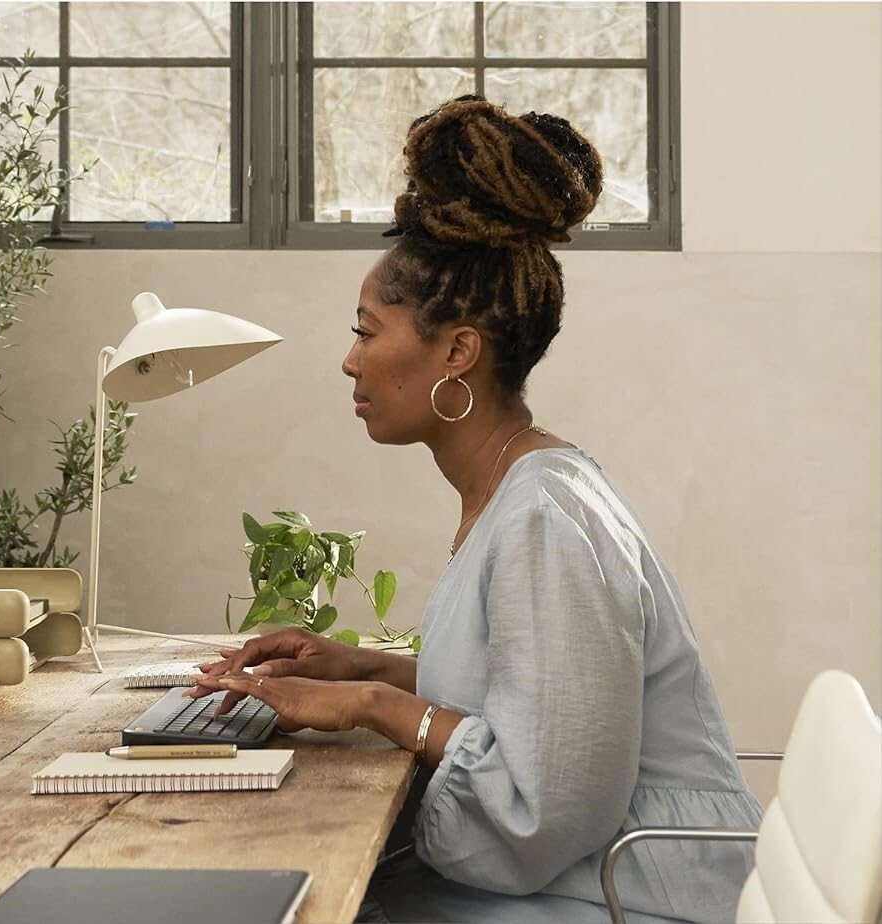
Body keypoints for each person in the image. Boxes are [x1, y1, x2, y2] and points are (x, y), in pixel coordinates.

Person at [190, 96, 762, 924]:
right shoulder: (517, 486)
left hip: (628, 895)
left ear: (457, 351)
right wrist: (365, 667)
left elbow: (543, 809)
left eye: (366, 332)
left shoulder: (544, 523)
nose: (349, 362)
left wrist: (373, 707)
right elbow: (537, 702)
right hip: (595, 873)